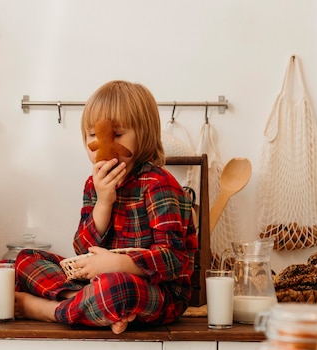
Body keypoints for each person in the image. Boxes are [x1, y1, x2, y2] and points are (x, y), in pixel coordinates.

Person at [14, 80, 198, 334]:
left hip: (156, 292)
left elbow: (175, 260)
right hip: (97, 281)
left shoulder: (158, 184)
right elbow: (81, 249)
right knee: (26, 258)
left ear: (142, 134)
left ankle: (48, 310)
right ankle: (84, 303)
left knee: (118, 289)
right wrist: (103, 201)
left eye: (117, 135)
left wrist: (118, 263)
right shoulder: (94, 183)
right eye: (93, 135)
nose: (102, 144)